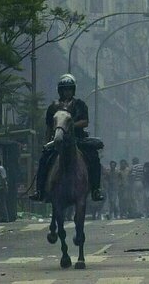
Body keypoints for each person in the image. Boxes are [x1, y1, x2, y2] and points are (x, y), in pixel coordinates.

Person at [30, 74, 105, 202]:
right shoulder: (53, 107)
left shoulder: (80, 104)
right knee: (44, 161)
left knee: (94, 158)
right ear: (60, 91)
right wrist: (47, 143)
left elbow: (85, 122)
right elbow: (49, 127)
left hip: (78, 139)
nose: (67, 92)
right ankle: (40, 191)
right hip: (58, 140)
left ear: (73, 90)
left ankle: (95, 190)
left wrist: (69, 125)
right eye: (65, 89)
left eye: (70, 89)